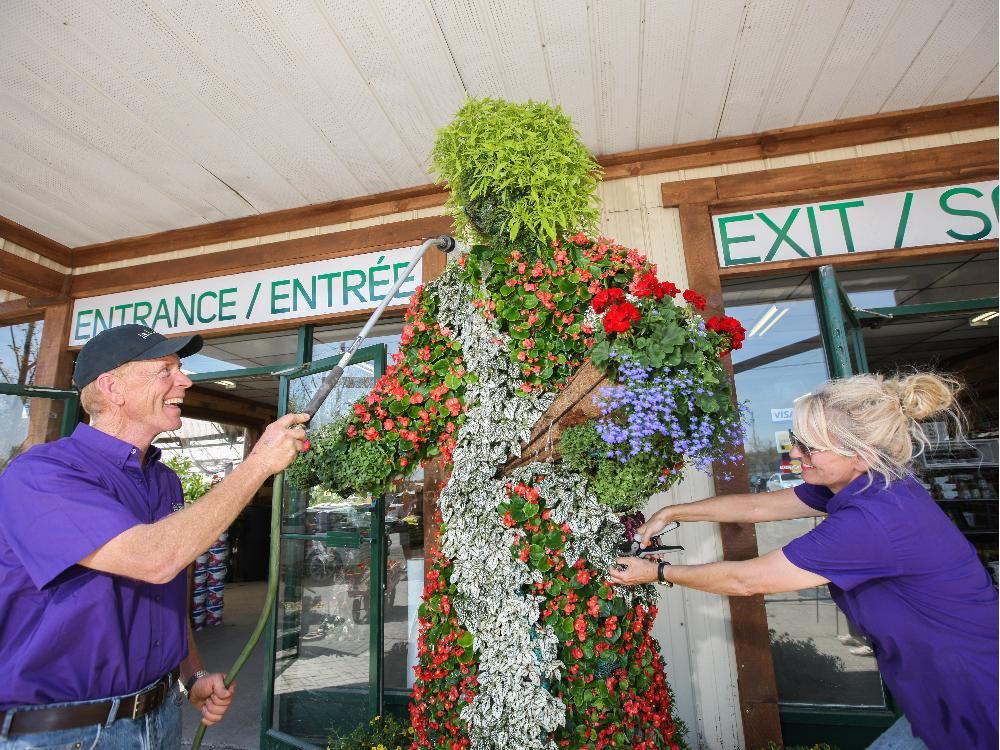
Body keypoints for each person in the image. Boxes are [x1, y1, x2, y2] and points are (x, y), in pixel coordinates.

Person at [609, 372, 999, 750]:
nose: (795, 452)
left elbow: (747, 580)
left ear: (860, 456)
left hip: (976, 697)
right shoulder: (866, 483)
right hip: (940, 689)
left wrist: (657, 572)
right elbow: (760, 505)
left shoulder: (873, 521)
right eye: (797, 440)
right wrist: (674, 511)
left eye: (809, 447)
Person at [0, 324, 309, 749]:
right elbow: (153, 559)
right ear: (112, 388)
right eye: (165, 369)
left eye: (179, 369)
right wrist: (257, 465)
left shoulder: (164, 481)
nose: (185, 380)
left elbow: (165, 592)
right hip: (65, 733)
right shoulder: (41, 474)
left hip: (160, 716)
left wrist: (192, 675)